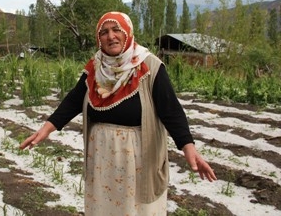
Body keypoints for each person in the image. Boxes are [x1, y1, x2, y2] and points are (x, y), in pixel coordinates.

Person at [20, 11, 217, 215]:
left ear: (128, 32)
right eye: (104, 32)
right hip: (101, 157)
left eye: (116, 30)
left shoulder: (149, 67)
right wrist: (46, 129)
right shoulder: (95, 68)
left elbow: (171, 111)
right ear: (99, 39)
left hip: (137, 159)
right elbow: (73, 101)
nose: (110, 36)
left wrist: (188, 147)